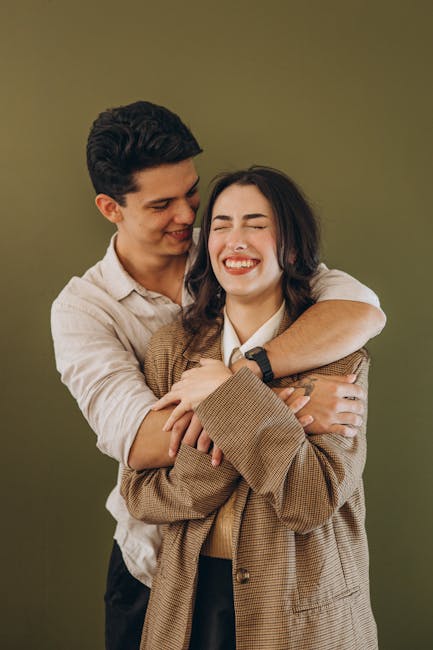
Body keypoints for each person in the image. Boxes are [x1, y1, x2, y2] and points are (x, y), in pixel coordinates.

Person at [50, 101, 384, 650]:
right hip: (155, 564)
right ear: (111, 208)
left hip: (288, 582)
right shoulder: (85, 311)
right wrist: (283, 400)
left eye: (191, 194)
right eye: (162, 205)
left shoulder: (233, 244)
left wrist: (245, 374)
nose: (189, 217)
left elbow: (360, 312)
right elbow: (141, 444)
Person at [121, 166, 378, 650]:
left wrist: (225, 399)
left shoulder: (339, 354)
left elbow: (310, 499)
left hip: (302, 612)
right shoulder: (171, 348)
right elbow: (142, 496)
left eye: (256, 225)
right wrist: (253, 413)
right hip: (188, 603)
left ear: (292, 248)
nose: (235, 240)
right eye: (221, 225)